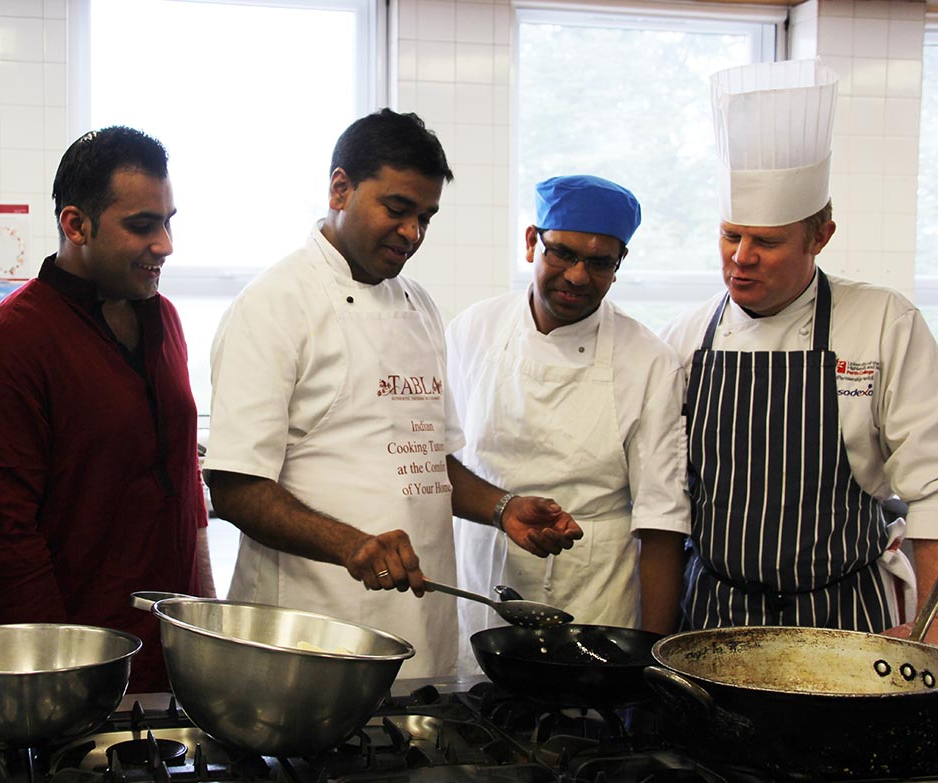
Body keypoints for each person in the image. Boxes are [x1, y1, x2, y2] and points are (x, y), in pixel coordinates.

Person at [205, 109, 582, 679]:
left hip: (421, 629)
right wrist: (350, 543)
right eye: (397, 209)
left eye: (426, 217)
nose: (413, 233)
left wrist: (503, 509)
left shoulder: (420, 307)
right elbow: (235, 487)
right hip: (310, 637)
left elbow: (428, 460)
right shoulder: (275, 305)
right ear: (341, 188)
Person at [661, 59, 938, 638]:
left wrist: (933, 627)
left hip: (844, 616)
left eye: (766, 241)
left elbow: (932, 487)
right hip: (715, 618)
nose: (740, 258)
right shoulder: (686, 338)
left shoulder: (885, 322)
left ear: (820, 236)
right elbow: (662, 500)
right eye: (730, 234)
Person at [0, 126, 213, 693]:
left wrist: (203, 613)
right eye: (142, 226)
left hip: (165, 651)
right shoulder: (13, 342)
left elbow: (182, 481)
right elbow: (7, 536)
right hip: (66, 664)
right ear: (76, 225)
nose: (165, 244)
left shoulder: (163, 318)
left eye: (169, 221)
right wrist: (65, 675)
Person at [446, 175, 690, 657]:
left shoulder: (648, 360)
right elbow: (436, 459)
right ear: (532, 242)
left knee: (583, 726)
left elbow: (662, 519)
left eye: (600, 262)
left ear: (619, 266)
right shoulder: (472, 330)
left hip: (595, 600)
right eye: (563, 253)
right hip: (481, 578)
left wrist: (656, 663)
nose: (578, 276)